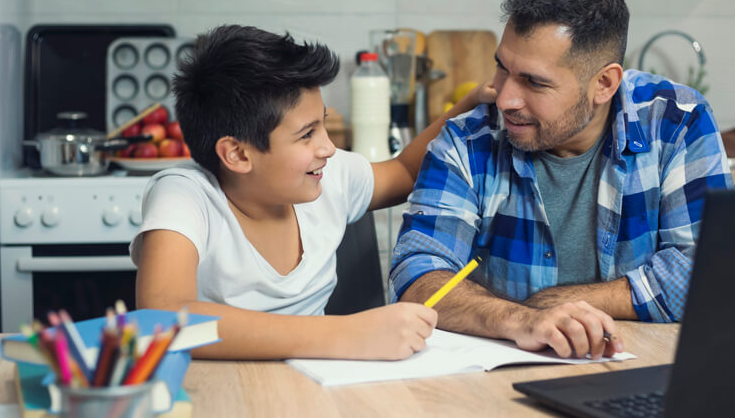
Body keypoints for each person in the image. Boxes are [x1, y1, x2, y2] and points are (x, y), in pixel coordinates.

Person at [390, 0, 732, 361]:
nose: (504, 100)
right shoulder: (467, 139)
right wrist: (520, 319)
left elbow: (710, 270)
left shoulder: (676, 120)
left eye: (534, 82)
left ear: (604, 84)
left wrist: (567, 301)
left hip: (643, 367)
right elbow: (416, 271)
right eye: (503, 67)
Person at [132, 24, 493, 361]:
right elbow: (163, 318)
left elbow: (405, 170)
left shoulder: (329, 176)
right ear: (238, 154)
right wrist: (346, 335)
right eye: (307, 134)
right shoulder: (185, 195)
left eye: (323, 124)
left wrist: (472, 102)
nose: (329, 148)